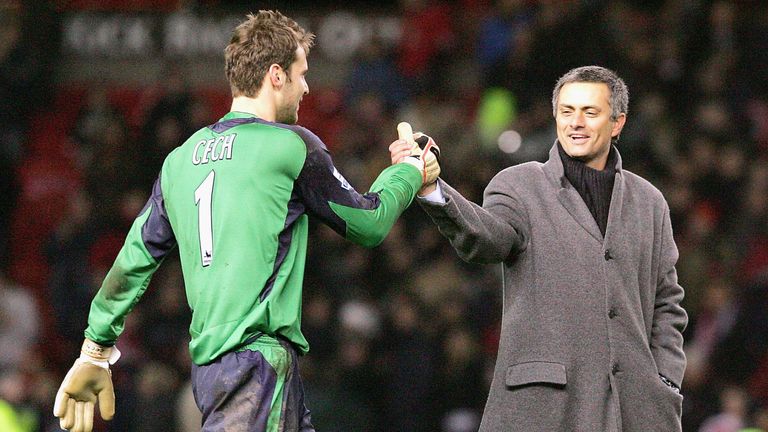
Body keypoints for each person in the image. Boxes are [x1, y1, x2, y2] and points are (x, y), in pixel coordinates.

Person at [53, 10, 439, 432]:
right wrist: (409, 170)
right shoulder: (289, 146)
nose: (307, 86)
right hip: (256, 365)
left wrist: (95, 348)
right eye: (301, 73)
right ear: (277, 75)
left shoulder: (179, 160)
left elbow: (133, 261)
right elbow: (370, 222)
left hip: (218, 370)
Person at [391, 65, 688, 431]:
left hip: (636, 412)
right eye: (567, 111)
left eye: (590, 112)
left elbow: (667, 303)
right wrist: (433, 189)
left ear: (617, 123)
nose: (575, 122)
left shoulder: (649, 202)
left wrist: (666, 379)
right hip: (544, 409)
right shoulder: (518, 185)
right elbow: (488, 238)